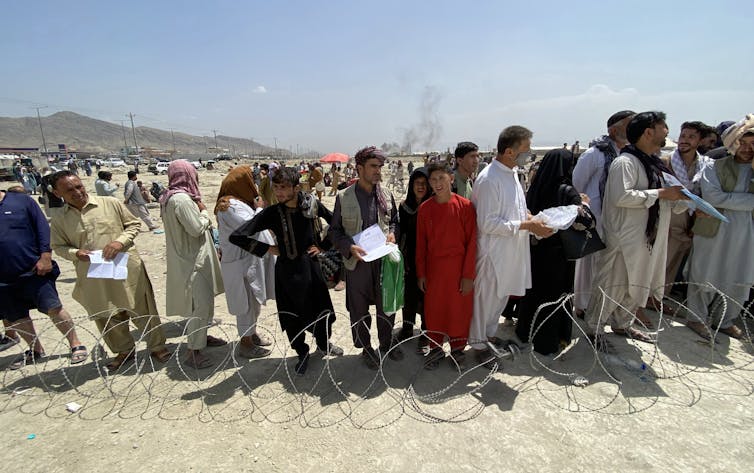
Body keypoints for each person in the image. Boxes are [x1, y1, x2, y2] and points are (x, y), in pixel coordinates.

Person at [585, 112, 688, 351]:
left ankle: (622, 324)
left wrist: (684, 200)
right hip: (624, 238)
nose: (667, 132)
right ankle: (594, 328)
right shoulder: (625, 163)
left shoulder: (654, 163)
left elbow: (668, 195)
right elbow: (622, 196)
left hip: (648, 237)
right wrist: (662, 194)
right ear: (648, 132)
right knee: (613, 283)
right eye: (664, 127)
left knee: (639, 283)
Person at [49, 171, 171, 371]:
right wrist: (75, 253)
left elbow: (133, 225)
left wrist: (118, 242)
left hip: (124, 267)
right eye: (69, 190)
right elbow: (58, 246)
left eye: (79, 186)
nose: (77, 192)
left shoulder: (109, 204)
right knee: (106, 313)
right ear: (57, 193)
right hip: (93, 273)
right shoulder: (60, 219)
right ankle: (124, 350)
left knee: (141, 307)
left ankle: (157, 346)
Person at [230, 167, 343, 375]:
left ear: (296, 188)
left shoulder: (311, 205)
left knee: (321, 310)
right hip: (286, 273)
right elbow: (237, 236)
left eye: (284, 188)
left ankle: (324, 344)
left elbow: (336, 221)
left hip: (311, 269)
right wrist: (268, 249)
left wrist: (323, 246)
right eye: (276, 187)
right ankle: (301, 352)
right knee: (292, 317)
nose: (279, 192)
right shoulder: (272, 213)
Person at [470, 126, 554, 367]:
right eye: (525, 151)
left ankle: (489, 336)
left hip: (511, 252)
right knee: (485, 302)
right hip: (493, 254)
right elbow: (488, 223)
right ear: (509, 151)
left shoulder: (512, 173)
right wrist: (528, 226)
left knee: (499, 300)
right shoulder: (489, 179)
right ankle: (478, 345)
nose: (529, 156)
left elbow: (515, 209)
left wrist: (532, 217)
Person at [515, 149, 595, 355]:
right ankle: (549, 341)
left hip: (536, 249)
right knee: (555, 296)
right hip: (559, 252)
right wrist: (584, 203)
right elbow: (586, 221)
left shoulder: (535, 187)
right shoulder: (568, 191)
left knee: (534, 292)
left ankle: (525, 331)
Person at [329, 146, 403, 369]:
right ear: (359, 168)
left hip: (383, 264)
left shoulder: (386, 194)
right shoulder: (344, 197)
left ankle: (386, 342)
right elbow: (334, 231)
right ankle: (366, 348)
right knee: (359, 310)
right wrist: (349, 247)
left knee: (386, 306)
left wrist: (392, 233)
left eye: (380, 166)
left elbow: (394, 221)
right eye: (373, 166)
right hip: (357, 264)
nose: (378, 171)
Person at [0, 188, 88, 369]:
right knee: (16, 316)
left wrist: (45, 256)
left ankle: (75, 344)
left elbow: (42, 229)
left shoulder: (22, 201)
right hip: (3, 278)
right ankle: (35, 349)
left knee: (53, 307)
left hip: (33, 268)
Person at [686, 116, 754, 340]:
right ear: (734, 143)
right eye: (743, 143)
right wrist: (746, 201)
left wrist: (728, 199)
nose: (747, 149)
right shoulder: (713, 164)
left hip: (745, 231)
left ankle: (724, 320)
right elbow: (713, 196)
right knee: (706, 270)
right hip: (713, 226)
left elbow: (722, 198)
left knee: (738, 275)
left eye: (752, 145)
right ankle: (696, 317)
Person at [161, 160, 225, 369]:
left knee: (204, 302)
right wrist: (205, 212)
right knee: (200, 305)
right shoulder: (182, 200)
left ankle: (203, 338)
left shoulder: (169, 198)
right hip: (193, 262)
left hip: (190, 258)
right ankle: (193, 351)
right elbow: (196, 228)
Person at [572, 110, 635, 317]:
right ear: (613, 129)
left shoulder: (629, 156)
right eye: (628, 124)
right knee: (589, 264)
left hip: (618, 220)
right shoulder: (594, 155)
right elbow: (577, 185)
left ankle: (603, 305)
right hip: (595, 219)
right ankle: (583, 304)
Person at [416, 162, 477, 369]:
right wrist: (421, 273)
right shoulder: (425, 209)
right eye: (433, 180)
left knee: (459, 310)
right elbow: (421, 244)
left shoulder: (466, 207)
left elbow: (472, 243)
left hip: (459, 269)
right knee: (435, 310)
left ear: (451, 178)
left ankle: (458, 349)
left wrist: (468, 275)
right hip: (434, 270)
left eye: (441, 178)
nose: (437, 183)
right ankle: (435, 348)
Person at [215, 166, 274, 359]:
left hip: (249, 261)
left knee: (253, 301)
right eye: (250, 180)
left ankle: (252, 334)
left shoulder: (240, 202)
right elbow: (250, 228)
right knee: (245, 304)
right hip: (239, 264)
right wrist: (259, 210)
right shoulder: (229, 206)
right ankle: (246, 344)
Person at [659, 121, 713, 306]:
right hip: (668, 217)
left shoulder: (705, 165)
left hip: (690, 219)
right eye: (683, 136)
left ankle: (658, 297)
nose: (685, 141)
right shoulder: (666, 161)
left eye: (691, 137)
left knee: (675, 262)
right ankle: (647, 298)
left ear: (700, 141)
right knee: (661, 260)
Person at [396, 167, 433, 349]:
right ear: (411, 185)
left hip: (429, 260)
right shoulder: (404, 207)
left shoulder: (434, 206)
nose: (421, 186)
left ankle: (426, 333)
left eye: (424, 183)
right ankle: (407, 328)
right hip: (409, 259)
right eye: (417, 183)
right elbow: (400, 232)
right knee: (408, 296)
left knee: (427, 298)